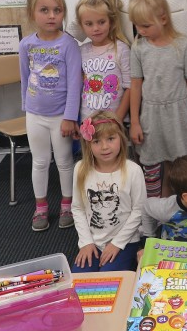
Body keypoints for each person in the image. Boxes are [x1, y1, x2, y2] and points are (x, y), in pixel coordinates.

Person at [129, 0, 187, 198]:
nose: (141, 30)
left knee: (181, 167)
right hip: (151, 116)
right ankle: (157, 208)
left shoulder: (182, 45)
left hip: (179, 115)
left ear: (163, 19)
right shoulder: (138, 48)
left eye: (146, 25)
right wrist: (134, 122)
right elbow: (135, 85)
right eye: (137, 25)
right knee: (154, 167)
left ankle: (183, 206)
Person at [19, 0, 82, 232]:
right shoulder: (26, 45)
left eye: (57, 10)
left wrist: (70, 117)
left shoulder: (69, 44)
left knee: (64, 161)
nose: (52, 16)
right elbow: (25, 78)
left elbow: (75, 83)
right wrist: (26, 107)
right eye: (44, 10)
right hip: (34, 114)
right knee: (40, 162)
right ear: (32, 13)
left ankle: (67, 204)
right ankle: (41, 207)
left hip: (61, 117)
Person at [72, 111, 146, 272]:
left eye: (111, 139)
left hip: (126, 241)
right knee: (79, 280)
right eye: (96, 141)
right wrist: (86, 243)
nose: (104, 147)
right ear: (88, 144)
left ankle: (133, 257)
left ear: (121, 139)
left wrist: (117, 244)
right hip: (93, 241)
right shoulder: (80, 169)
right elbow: (78, 208)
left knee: (109, 280)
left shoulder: (133, 170)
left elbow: (139, 210)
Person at [75, 0, 131, 122]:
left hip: (114, 123)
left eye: (101, 22)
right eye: (89, 24)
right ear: (81, 26)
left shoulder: (121, 49)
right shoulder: (80, 51)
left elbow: (130, 87)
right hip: (87, 123)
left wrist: (117, 120)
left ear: (111, 21)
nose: (96, 28)